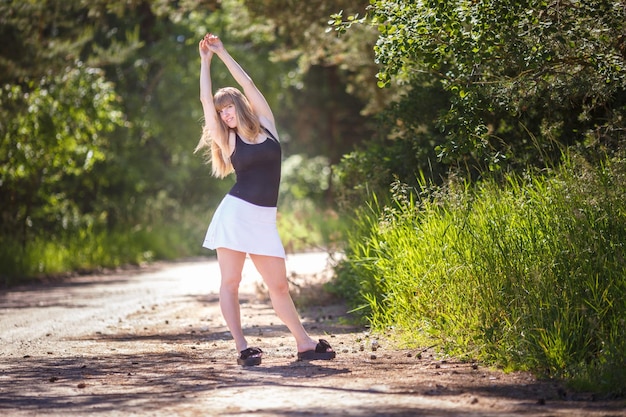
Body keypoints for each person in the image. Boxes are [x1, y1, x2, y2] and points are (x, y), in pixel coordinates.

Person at [195, 33, 336, 366]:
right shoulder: (227, 140)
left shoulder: (267, 126)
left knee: (279, 286)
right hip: (235, 214)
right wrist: (205, 62)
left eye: (229, 107)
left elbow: (248, 84)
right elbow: (204, 102)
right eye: (221, 111)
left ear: (240, 105)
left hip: (263, 220)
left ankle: (303, 343)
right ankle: (242, 347)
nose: (226, 114)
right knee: (231, 282)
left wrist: (223, 52)